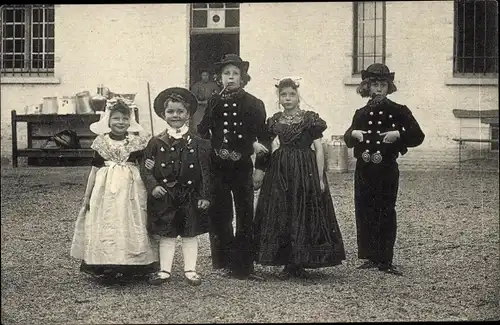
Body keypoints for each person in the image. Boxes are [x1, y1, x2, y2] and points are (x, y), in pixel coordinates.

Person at [253, 78, 346, 279]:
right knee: (282, 210)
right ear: (278, 98)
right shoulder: (274, 121)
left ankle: (302, 260)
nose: (287, 99)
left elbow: (319, 149)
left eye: (291, 94)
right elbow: (267, 148)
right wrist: (259, 172)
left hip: (305, 168)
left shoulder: (310, 119)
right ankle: (287, 261)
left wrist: (320, 178)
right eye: (283, 95)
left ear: (298, 96)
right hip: (280, 169)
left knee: (303, 210)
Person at [343, 63, 425, 276]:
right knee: (364, 209)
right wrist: (354, 134)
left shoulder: (398, 111)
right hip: (364, 167)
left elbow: (418, 136)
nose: (378, 89)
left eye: (382, 85)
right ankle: (370, 256)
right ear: (366, 88)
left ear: (389, 87)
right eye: (374, 85)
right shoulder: (360, 112)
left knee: (385, 210)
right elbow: (348, 137)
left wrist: (398, 135)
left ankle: (385, 259)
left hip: (386, 167)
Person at [70, 97, 158, 283]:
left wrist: (149, 163)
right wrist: (87, 196)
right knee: (108, 221)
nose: (121, 122)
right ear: (108, 120)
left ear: (130, 120)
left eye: (125, 119)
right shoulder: (101, 142)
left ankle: (132, 264)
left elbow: (143, 164)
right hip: (106, 188)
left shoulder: (136, 142)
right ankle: (107, 264)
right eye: (116, 118)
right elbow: (94, 170)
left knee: (130, 220)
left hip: (131, 189)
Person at [197, 54, 269, 280]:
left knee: (245, 214)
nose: (231, 78)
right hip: (219, 166)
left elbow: (264, 139)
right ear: (220, 78)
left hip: (242, 167)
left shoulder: (254, 103)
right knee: (221, 214)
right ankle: (226, 262)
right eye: (226, 74)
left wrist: (260, 169)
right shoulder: (215, 101)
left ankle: (245, 266)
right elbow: (202, 130)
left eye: (235, 74)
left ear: (243, 78)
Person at [140, 87, 212, 286]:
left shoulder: (199, 143)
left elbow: (205, 171)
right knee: (167, 234)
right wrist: (153, 186)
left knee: (190, 233)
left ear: (188, 114)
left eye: (180, 111)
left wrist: (205, 196)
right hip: (166, 195)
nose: (175, 115)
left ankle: (191, 270)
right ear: (163, 115)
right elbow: (145, 168)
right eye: (171, 112)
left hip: (190, 195)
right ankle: (164, 271)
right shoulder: (155, 142)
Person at [190, 67, 221, 133]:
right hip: (199, 110)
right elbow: (192, 99)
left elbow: (218, 97)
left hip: (211, 109)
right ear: (201, 76)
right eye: (203, 75)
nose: (205, 77)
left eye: (207, 75)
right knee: (198, 127)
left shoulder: (213, 85)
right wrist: (201, 102)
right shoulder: (196, 86)